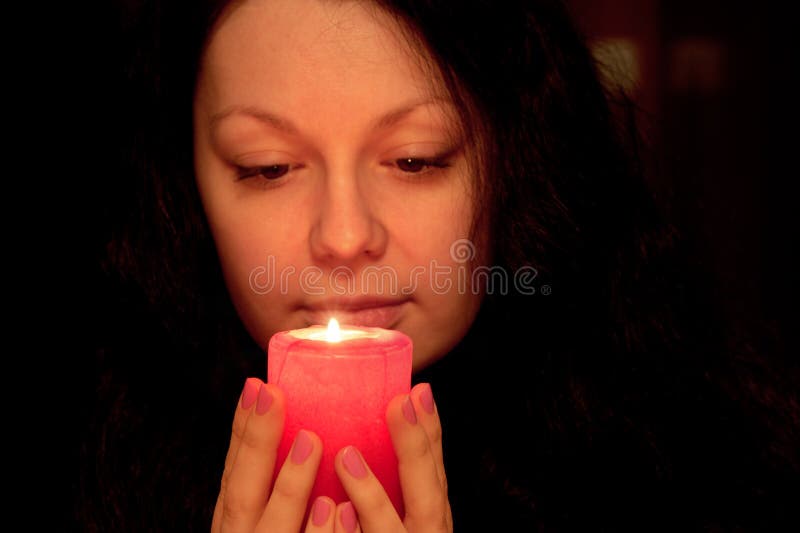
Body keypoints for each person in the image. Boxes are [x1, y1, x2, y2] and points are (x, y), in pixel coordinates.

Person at [80, 0, 799, 530]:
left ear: (517, 160)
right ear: (183, 186)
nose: (344, 235)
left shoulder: (683, 464)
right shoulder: (101, 464)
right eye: (267, 168)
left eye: (416, 158)